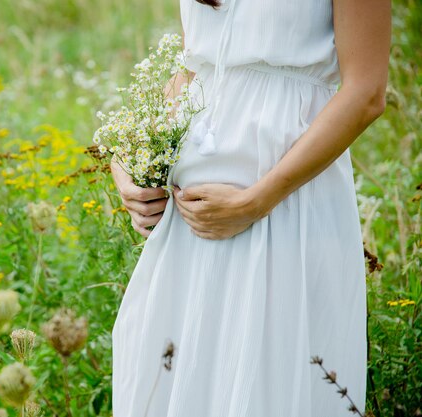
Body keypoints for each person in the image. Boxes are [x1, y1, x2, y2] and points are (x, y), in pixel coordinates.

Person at [110, 0, 390, 416]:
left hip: (289, 204)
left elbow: (366, 92)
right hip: (191, 222)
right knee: (177, 377)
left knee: (269, 378)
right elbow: (196, 68)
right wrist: (131, 160)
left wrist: (257, 201)